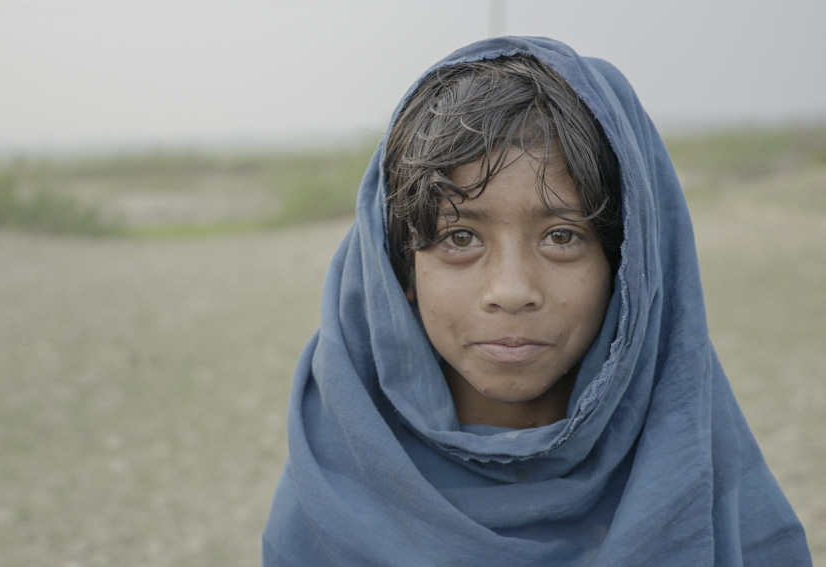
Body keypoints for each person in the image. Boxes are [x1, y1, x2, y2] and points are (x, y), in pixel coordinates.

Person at [262, 36, 812, 566]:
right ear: (399, 264)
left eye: (563, 236)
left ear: (628, 268)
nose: (511, 290)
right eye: (459, 238)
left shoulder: (705, 482)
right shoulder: (331, 492)